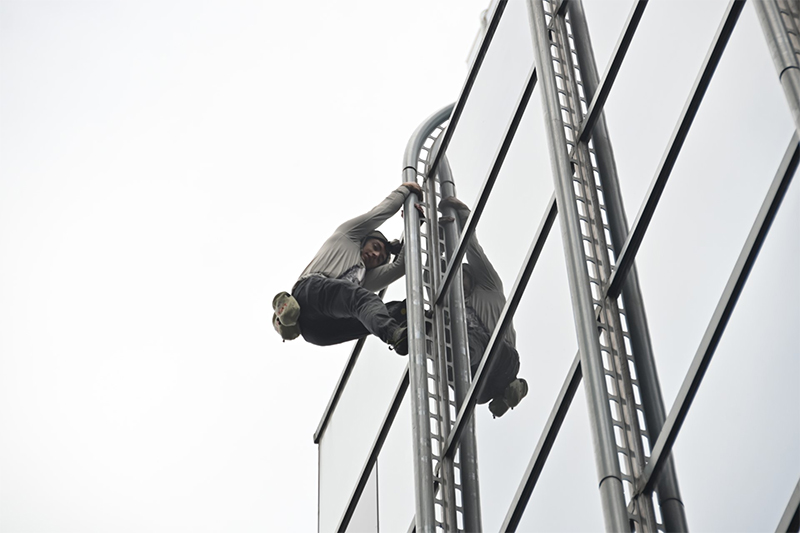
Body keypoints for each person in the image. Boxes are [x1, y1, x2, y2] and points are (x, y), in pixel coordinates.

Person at [272, 183, 422, 355]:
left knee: (385, 311)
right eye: (374, 247)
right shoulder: (348, 236)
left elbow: (400, 266)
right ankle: (394, 335)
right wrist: (405, 190)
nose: (374, 254)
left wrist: (415, 225)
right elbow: (379, 213)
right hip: (310, 293)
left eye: (380, 258)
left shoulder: (364, 278)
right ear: (364, 241)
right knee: (365, 300)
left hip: (318, 332)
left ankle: (416, 323)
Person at [439, 196, 528, 418]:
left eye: (463, 279)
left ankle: (465, 368)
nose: (460, 285)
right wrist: (438, 240)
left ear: (472, 277)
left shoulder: (489, 287)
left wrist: (463, 216)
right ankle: (479, 386)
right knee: (476, 395)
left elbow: (473, 249)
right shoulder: (458, 307)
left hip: (501, 356)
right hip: (483, 372)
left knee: (471, 343)